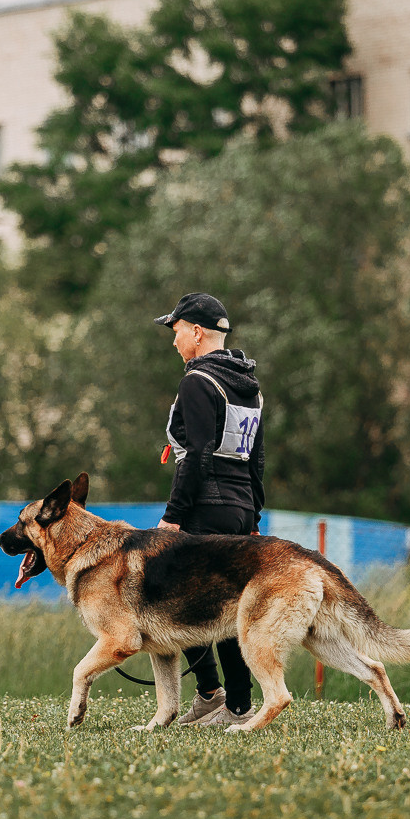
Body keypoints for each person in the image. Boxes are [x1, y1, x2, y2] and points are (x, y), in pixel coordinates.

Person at [153, 292, 265, 726]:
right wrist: (253, 517)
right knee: (228, 609)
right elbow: (256, 459)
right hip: (238, 509)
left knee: (170, 598)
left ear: (197, 333)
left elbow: (198, 452)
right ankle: (234, 703)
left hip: (204, 506)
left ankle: (215, 696)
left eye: (176, 330)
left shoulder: (198, 381)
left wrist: (173, 516)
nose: (174, 341)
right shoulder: (248, 386)